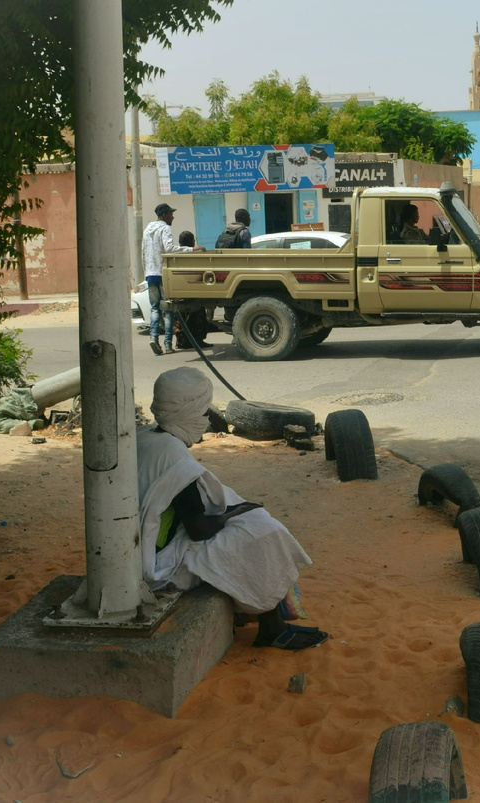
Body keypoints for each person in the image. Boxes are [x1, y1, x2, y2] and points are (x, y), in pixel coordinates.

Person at [138, 367, 330, 651]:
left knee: (252, 523)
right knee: (263, 536)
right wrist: (233, 514)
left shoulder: (145, 436)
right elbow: (200, 530)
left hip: (139, 546)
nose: (205, 422)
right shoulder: (174, 458)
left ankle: (263, 616)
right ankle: (272, 629)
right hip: (159, 564)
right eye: (203, 414)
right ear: (188, 411)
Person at [142, 203, 201, 355]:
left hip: (150, 273)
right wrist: (191, 249)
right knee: (168, 310)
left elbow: (143, 253)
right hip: (162, 273)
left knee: (155, 308)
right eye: (170, 214)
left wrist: (147, 271)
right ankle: (168, 345)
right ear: (164, 215)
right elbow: (168, 248)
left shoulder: (147, 230)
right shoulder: (165, 228)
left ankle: (153, 338)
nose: (172, 216)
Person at [174, 231, 211, 350]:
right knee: (197, 315)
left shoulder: (176, 254)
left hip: (179, 290)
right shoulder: (191, 254)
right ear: (191, 242)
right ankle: (197, 340)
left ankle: (182, 342)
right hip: (192, 290)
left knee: (182, 318)